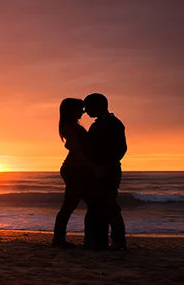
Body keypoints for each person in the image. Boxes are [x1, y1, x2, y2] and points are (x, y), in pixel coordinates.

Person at [83, 93, 127, 251]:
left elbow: (120, 149)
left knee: (108, 205)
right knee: (100, 206)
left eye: (87, 107)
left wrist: (103, 166)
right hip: (103, 169)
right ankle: (99, 241)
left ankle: (116, 241)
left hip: (106, 170)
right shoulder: (103, 124)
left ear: (97, 106)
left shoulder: (111, 124)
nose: (85, 111)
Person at [52, 98, 94, 248]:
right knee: (71, 204)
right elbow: (77, 150)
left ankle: (60, 239)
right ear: (71, 110)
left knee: (74, 203)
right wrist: (90, 166)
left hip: (75, 168)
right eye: (80, 108)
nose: (83, 112)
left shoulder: (72, 126)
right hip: (74, 169)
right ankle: (59, 239)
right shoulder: (70, 127)